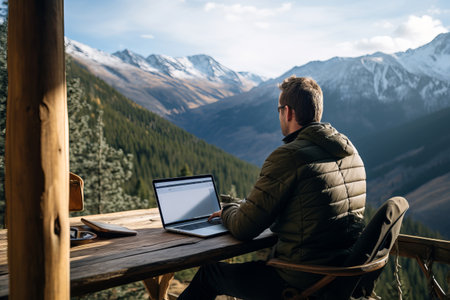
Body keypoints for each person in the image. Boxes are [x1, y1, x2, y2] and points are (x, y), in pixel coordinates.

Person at [178, 76, 366, 300]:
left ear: (287, 112)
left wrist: (227, 212)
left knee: (210, 274)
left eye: (278, 110)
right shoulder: (350, 152)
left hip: (300, 281)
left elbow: (244, 228)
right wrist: (245, 206)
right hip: (340, 277)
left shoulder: (289, 156)